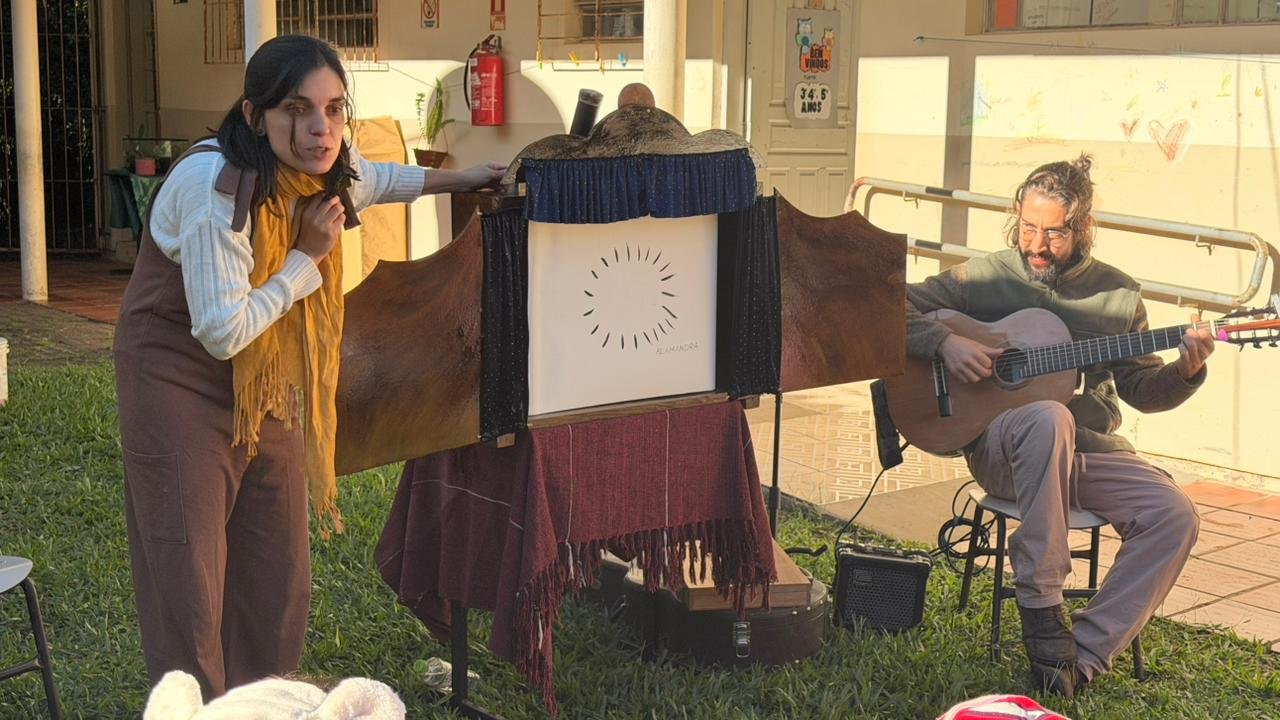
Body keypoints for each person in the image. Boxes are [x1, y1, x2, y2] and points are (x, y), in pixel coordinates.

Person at [113, 34, 506, 700]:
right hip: (179, 372)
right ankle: (198, 710)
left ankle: (264, 700)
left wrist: (461, 178)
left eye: (332, 109)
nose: (318, 128)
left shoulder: (318, 166)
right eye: (296, 109)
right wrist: (306, 259)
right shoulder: (216, 193)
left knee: (277, 567)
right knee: (191, 574)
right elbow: (221, 330)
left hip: (267, 375)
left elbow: (374, 179)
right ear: (252, 116)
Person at [905, 155, 1214, 697]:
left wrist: (1188, 371)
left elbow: (1144, 392)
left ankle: (1080, 659)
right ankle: (1043, 609)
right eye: (1028, 227)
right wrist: (944, 342)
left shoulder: (1118, 295)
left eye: (1053, 233)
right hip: (1005, 450)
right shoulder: (979, 277)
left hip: (1087, 451)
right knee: (1048, 416)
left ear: (1083, 227)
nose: (1037, 245)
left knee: (1174, 514)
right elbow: (888, 307)